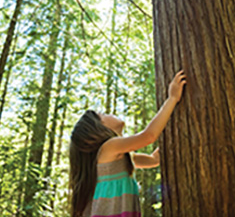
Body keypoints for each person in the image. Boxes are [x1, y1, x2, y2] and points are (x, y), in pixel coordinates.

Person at [69, 70, 187, 217]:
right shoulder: (108, 147)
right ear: (96, 130)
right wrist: (172, 98)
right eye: (103, 115)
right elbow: (148, 136)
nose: (109, 113)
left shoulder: (120, 158)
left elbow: (154, 160)